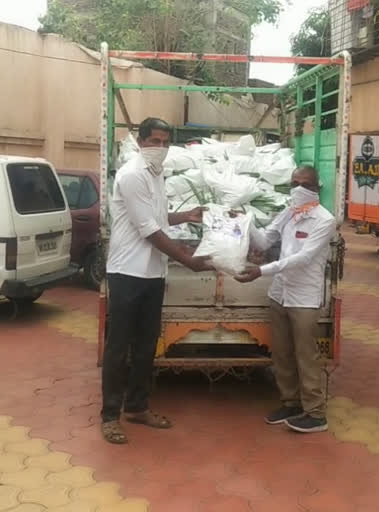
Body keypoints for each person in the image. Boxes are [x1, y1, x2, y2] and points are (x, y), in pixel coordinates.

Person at [101, 117, 212, 444]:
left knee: (147, 345)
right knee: (119, 347)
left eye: (165, 142)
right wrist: (188, 261)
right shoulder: (133, 174)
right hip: (126, 273)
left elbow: (158, 217)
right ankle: (110, 416)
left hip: (152, 273)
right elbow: (148, 230)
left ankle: (137, 406)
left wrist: (186, 216)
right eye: (154, 141)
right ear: (140, 140)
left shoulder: (156, 174)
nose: (160, 148)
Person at [235, 166, 337, 433]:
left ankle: (315, 413)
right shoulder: (289, 212)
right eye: (294, 183)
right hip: (280, 293)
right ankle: (290, 402)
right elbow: (266, 239)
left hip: (304, 297)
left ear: (317, 189)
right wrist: (244, 222)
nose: (299, 188)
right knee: (281, 354)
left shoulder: (325, 220)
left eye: (306, 184)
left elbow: (303, 258)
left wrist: (261, 271)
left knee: (306, 355)